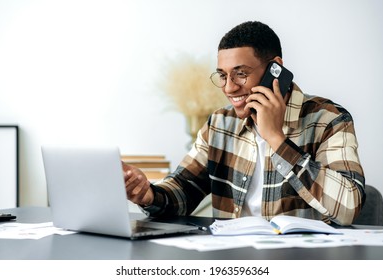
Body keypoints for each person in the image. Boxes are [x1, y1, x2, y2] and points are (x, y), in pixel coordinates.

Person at [123, 21, 365, 226]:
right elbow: (183, 190)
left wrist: (277, 140)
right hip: (233, 261)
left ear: (275, 69)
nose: (229, 87)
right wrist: (148, 194)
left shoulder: (328, 119)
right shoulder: (220, 123)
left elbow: (349, 208)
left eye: (241, 73)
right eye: (223, 75)